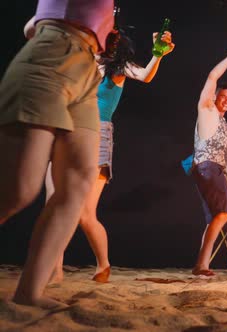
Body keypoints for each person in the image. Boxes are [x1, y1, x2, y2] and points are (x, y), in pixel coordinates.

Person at [0, 0, 114, 308]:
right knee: (18, 191)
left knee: (77, 185)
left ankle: (30, 292)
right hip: (51, 58)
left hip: (88, 72)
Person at [45, 27, 175, 283]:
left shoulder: (118, 68)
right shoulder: (79, 63)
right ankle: (53, 270)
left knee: (84, 214)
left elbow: (146, 75)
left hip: (97, 136)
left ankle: (103, 264)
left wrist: (157, 54)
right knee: (53, 206)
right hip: (66, 132)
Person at [190, 48, 227, 277]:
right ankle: (202, 265)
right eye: (222, 96)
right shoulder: (207, 110)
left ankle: (201, 265)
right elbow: (212, 78)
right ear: (213, 97)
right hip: (208, 167)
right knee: (224, 214)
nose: (226, 101)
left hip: (211, 169)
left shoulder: (223, 122)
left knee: (215, 217)